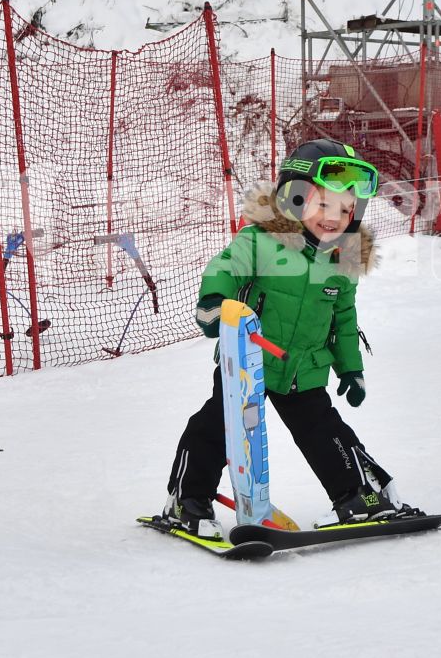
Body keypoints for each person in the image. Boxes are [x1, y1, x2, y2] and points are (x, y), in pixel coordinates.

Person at [160, 140, 416, 537]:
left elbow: (344, 320)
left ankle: (361, 496)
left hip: (305, 367)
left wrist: (352, 369)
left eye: (346, 210)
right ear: (294, 199)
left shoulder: (341, 261)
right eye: (324, 205)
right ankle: (187, 500)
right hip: (248, 359)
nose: (335, 219)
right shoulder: (262, 240)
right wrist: (213, 301)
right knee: (220, 427)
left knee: (325, 432)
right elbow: (226, 268)